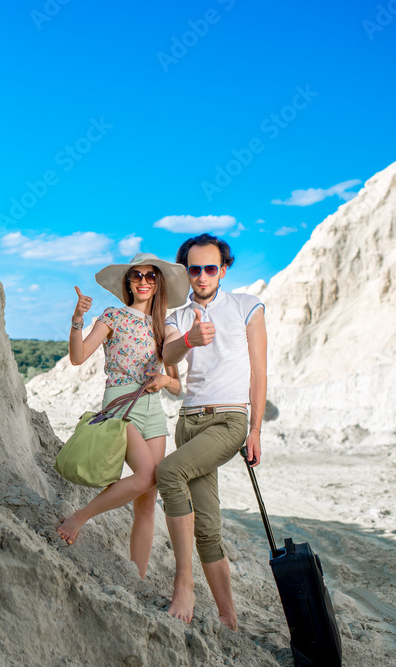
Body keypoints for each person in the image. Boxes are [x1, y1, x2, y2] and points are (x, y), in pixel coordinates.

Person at [156, 234, 267, 631]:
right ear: (186, 271)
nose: (202, 276)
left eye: (210, 268)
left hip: (228, 420)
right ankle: (228, 617)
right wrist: (189, 339)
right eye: (194, 269)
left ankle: (184, 584)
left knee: (168, 473)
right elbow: (168, 355)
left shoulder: (246, 306)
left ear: (224, 269)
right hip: (189, 422)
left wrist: (254, 429)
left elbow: (259, 371)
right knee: (208, 525)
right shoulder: (177, 316)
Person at [56, 252, 189, 580]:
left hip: (153, 412)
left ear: (158, 283)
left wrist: (165, 378)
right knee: (146, 476)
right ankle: (81, 517)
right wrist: (77, 319)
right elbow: (77, 356)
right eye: (137, 276)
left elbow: (176, 385)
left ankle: (137, 578)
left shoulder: (164, 326)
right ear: (128, 283)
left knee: (147, 502)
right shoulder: (113, 315)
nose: (144, 281)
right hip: (120, 405)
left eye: (150, 276)